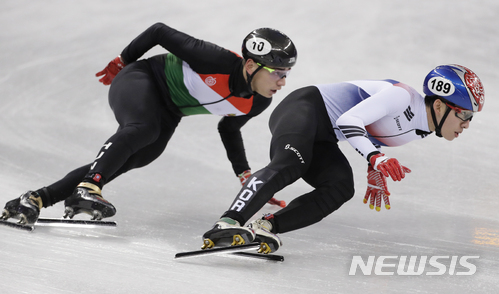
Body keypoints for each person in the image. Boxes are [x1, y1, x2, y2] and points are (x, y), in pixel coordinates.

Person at [1, 22, 297, 225]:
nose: (282, 82)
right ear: (250, 65)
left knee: (141, 155)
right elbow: (159, 31)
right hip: (141, 80)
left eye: (287, 74)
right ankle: (89, 187)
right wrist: (122, 61)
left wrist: (244, 174)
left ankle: (36, 199)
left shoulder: (259, 101)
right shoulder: (215, 60)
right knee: (144, 129)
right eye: (277, 73)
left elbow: (228, 128)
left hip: (169, 110)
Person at [201, 64, 485, 253]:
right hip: (305, 108)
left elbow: (372, 130)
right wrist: (376, 158)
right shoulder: (401, 97)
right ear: (439, 104)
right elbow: (351, 121)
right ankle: (227, 222)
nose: (467, 124)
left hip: (325, 134)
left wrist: (373, 167)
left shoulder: (422, 128)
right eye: (465, 115)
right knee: (291, 162)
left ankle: (265, 228)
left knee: (340, 187)